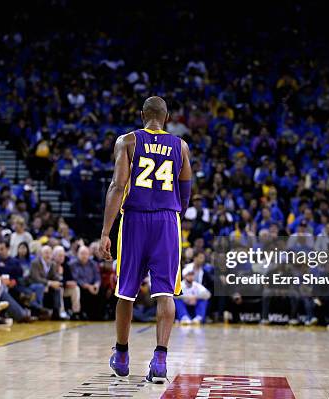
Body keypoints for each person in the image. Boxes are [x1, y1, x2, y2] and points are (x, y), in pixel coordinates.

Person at [99, 96, 192, 382]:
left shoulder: (127, 141)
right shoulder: (181, 145)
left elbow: (117, 185)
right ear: (166, 117)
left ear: (142, 115)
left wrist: (106, 231)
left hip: (135, 219)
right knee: (166, 292)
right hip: (167, 221)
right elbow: (185, 187)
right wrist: (175, 215)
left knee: (126, 291)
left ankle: (123, 355)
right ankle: (161, 360)